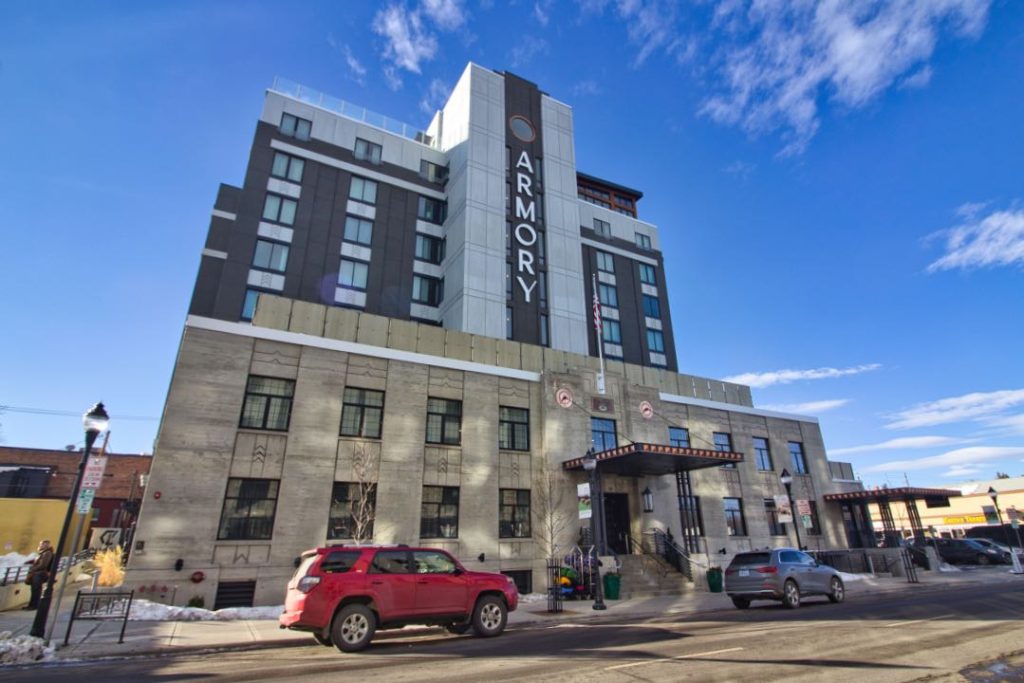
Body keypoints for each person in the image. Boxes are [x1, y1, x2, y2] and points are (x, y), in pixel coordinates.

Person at [25, 540, 54, 610]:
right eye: (40, 544)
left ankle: (34, 605)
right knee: (34, 590)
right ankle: (31, 605)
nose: (40, 545)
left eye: (42, 544)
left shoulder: (47, 553)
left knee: (36, 590)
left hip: (39, 574)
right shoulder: (42, 553)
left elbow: (43, 565)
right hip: (37, 573)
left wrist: (33, 569)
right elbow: (39, 561)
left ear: (46, 545)